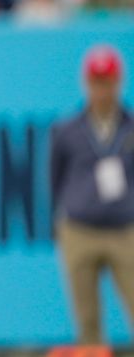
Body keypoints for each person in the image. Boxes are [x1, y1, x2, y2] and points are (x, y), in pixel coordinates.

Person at [51, 45, 134, 345]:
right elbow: (55, 179)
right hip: (80, 230)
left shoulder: (130, 127)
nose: (102, 90)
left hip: (125, 230)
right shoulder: (68, 130)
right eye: (97, 81)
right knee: (87, 321)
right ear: (87, 83)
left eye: (107, 81)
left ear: (118, 82)